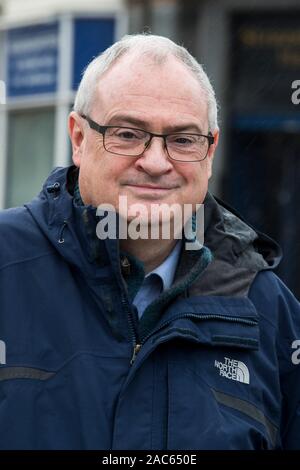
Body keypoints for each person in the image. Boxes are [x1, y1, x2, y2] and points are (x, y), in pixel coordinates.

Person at [0, 33, 299, 451]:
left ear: (210, 152)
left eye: (182, 139)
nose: (156, 162)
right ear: (79, 139)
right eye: (127, 133)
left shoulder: (268, 310)